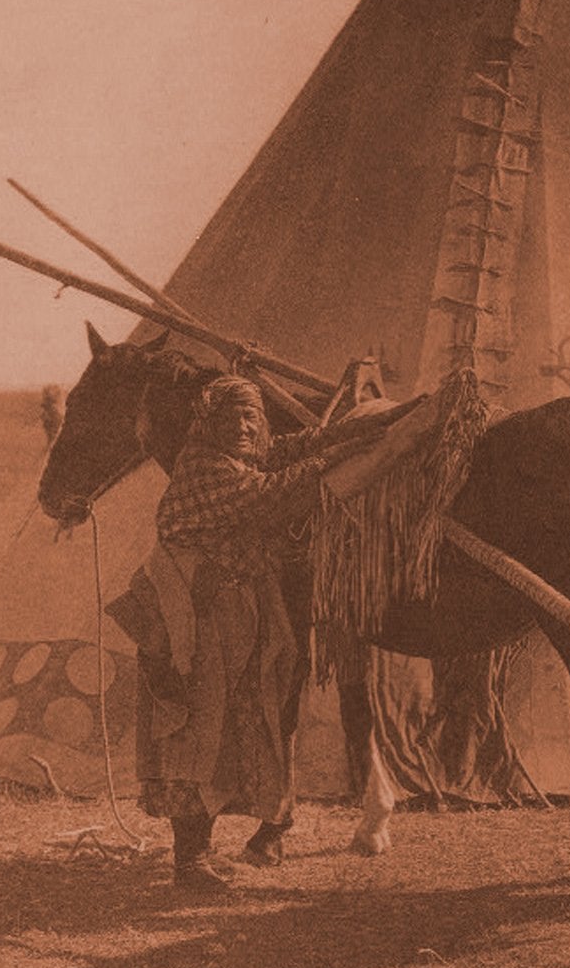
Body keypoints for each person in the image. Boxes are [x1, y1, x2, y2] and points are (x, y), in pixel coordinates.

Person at [114, 375, 399, 895]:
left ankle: (211, 849)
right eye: (230, 417)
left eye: (252, 417)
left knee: (227, 732)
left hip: (228, 615)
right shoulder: (206, 469)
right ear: (208, 424)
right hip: (193, 624)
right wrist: (357, 451)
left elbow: (294, 446)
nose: (244, 427)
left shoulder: (239, 456)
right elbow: (275, 493)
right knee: (194, 732)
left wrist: (376, 424)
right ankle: (190, 860)